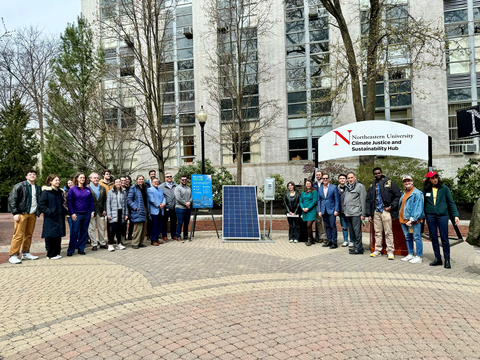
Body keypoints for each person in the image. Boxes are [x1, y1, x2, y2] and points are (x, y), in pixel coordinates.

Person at [423, 171, 459, 268]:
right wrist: (422, 216)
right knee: (434, 237)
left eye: (436, 177)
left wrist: (456, 215)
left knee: (444, 238)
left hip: (442, 216)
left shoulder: (444, 188)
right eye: (433, 178)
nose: (435, 179)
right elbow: (423, 203)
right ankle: (437, 258)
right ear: (428, 180)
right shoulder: (426, 189)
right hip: (430, 216)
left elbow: (451, 202)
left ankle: (447, 259)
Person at [366, 167, 401, 260]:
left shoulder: (389, 183)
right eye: (375, 173)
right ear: (374, 175)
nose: (377, 174)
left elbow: (397, 196)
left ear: (381, 173)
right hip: (376, 211)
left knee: (388, 232)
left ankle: (390, 251)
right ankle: (377, 250)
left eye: (379, 173)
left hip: (386, 210)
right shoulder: (372, 185)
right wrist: (369, 214)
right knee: (377, 232)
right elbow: (368, 200)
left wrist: (391, 206)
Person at [7, 170, 42, 264]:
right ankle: (13, 255)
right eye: (30, 174)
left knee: (29, 234)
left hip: (33, 214)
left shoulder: (38, 188)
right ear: (26, 176)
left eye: (34, 174)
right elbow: (12, 199)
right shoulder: (19, 186)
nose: (32, 176)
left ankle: (26, 253)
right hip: (22, 213)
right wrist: (15, 213)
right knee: (18, 234)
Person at [66, 173, 95, 256]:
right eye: (81, 177)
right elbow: (69, 202)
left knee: (84, 231)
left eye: (84, 178)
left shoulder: (88, 189)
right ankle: (71, 250)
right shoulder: (72, 189)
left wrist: (92, 211)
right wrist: (72, 213)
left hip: (87, 213)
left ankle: (81, 249)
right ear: (77, 179)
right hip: (76, 214)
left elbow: (91, 201)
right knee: (74, 231)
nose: (82, 179)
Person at [39, 175, 66, 260]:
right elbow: (42, 205)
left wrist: (68, 212)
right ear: (50, 181)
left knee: (58, 236)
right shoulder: (46, 192)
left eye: (58, 180)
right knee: (51, 236)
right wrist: (50, 212)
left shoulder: (59, 192)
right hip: (51, 217)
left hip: (59, 217)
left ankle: (56, 253)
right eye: (56, 180)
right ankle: (50, 254)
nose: (58, 181)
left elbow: (61, 205)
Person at [399, 175, 424, 264]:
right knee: (408, 237)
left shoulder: (417, 193)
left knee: (417, 237)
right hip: (404, 219)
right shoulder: (404, 193)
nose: (407, 183)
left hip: (413, 220)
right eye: (405, 181)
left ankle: (419, 256)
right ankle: (410, 254)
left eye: (409, 181)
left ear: (412, 182)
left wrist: (412, 219)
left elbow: (418, 207)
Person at [344, 172, 367, 255]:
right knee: (352, 232)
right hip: (348, 213)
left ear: (355, 178)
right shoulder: (347, 187)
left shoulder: (360, 186)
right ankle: (355, 246)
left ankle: (359, 248)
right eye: (348, 178)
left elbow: (363, 201)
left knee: (357, 232)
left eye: (351, 177)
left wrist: (363, 214)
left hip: (356, 213)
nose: (350, 179)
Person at [317, 173, 340, 249]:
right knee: (327, 226)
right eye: (324, 178)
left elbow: (337, 199)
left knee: (332, 226)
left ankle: (334, 242)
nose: (325, 180)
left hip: (332, 210)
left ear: (328, 179)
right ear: (322, 179)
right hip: (324, 210)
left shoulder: (334, 187)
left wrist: (336, 210)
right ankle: (329, 241)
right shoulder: (320, 189)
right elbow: (319, 200)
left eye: (326, 178)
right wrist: (319, 211)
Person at [127, 174, 149, 249]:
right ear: (136, 180)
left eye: (142, 179)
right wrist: (135, 207)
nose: (141, 180)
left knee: (143, 227)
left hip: (145, 208)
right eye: (139, 179)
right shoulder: (133, 188)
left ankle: (141, 242)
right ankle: (135, 243)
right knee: (138, 227)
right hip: (138, 209)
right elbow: (129, 200)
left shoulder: (145, 187)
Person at [106, 178, 128, 251]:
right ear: (114, 183)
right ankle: (111, 244)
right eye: (117, 182)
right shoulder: (110, 192)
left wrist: (126, 214)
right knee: (112, 229)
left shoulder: (123, 192)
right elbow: (108, 204)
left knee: (120, 229)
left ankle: (119, 244)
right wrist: (109, 214)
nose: (118, 183)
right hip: (113, 213)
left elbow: (125, 204)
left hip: (121, 212)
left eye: (119, 182)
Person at [88, 173, 107, 251]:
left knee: (101, 227)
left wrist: (105, 209)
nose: (96, 179)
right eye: (94, 178)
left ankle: (102, 243)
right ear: (91, 179)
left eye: (97, 178)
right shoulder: (87, 188)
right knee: (91, 228)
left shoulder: (102, 188)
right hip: (91, 211)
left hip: (101, 210)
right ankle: (94, 244)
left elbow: (105, 200)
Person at [147, 178, 166, 245]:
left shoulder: (160, 190)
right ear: (152, 183)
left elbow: (164, 198)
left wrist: (163, 204)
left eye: (157, 182)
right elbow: (151, 199)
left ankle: (157, 239)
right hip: (154, 211)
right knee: (154, 226)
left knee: (159, 225)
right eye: (155, 182)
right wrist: (158, 205)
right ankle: (153, 240)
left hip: (160, 210)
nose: (156, 183)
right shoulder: (149, 190)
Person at [159, 173, 177, 241]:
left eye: (170, 176)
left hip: (174, 207)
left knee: (174, 222)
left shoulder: (176, 185)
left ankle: (174, 235)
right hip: (165, 207)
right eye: (167, 177)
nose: (169, 177)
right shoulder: (161, 186)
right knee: (164, 223)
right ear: (165, 178)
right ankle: (164, 236)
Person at [300, 179, 318, 246]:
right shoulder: (303, 192)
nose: (308, 185)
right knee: (308, 226)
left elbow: (314, 201)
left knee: (309, 225)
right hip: (304, 211)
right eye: (307, 184)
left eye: (309, 183)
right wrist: (302, 208)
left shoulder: (314, 191)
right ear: (305, 184)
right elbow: (300, 201)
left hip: (311, 211)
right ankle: (312, 239)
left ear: (311, 184)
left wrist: (308, 208)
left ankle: (309, 239)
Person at [175, 175, 192, 241]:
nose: (184, 181)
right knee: (180, 222)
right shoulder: (177, 188)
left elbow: (191, 196)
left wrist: (189, 202)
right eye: (183, 180)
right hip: (180, 208)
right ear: (180, 180)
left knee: (186, 223)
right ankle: (178, 236)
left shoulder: (189, 188)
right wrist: (185, 203)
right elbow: (178, 198)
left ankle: (185, 236)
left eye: (185, 180)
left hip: (187, 208)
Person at [312, 170, 327, 243]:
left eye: (319, 175)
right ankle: (321, 236)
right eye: (317, 175)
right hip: (317, 205)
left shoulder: (324, 183)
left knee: (324, 221)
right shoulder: (314, 184)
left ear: (322, 175)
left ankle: (325, 236)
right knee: (318, 221)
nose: (318, 176)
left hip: (324, 204)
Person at [337, 174, 351, 247]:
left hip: (349, 210)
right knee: (344, 226)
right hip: (341, 211)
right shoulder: (337, 189)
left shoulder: (349, 188)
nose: (342, 179)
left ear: (346, 180)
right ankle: (345, 240)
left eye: (343, 178)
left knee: (350, 226)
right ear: (339, 180)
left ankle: (351, 241)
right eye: (340, 178)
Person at [124, 175, 134, 240]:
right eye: (125, 179)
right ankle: (124, 235)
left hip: (131, 207)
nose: (127, 180)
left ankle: (130, 234)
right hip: (125, 207)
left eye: (128, 179)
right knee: (124, 222)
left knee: (131, 222)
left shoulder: (132, 187)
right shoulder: (123, 188)